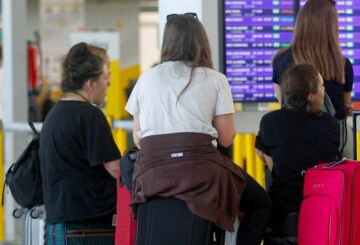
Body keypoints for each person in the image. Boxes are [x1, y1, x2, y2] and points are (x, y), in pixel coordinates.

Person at [125, 13, 271, 245]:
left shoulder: (147, 78)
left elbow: (139, 137)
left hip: (152, 174)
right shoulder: (215, 79)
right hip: (201, 174)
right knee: (260, 204)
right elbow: (226, 138)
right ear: (200, 41)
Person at [40, 43, 120, 244]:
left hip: (58, 224)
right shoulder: (90, 116)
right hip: (86, 229)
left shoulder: (54, 114)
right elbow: (116, 170)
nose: (109, 83)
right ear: (90, 83)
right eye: (105, 77)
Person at [256, 63, 340, 235]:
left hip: (282, 212)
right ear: (311, 96)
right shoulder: (331, 124)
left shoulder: (269, 121)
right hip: (323, 210)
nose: (324, 91)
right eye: (322, 86)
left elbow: (267, 159)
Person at [272, 0, 353, 121]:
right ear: (331, 27)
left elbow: (283, 103)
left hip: (292, 134)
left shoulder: (280, 59)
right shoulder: (342, 64)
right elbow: (345, 108)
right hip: (333, 136)